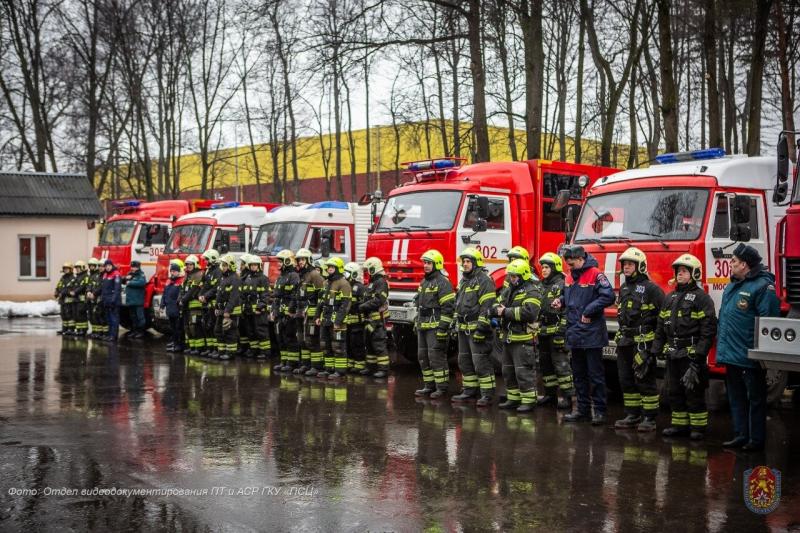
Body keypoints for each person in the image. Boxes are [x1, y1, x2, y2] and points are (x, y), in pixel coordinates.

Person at [718, 244, 780, 451]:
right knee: (736, 398)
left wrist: (761, 352)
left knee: (755, 399)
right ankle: (741, 434)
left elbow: (769, 323)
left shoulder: (763, 287)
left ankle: (756, 439)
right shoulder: (732, 285)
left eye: (734, 262)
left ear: (744, 265)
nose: (731, 265)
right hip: (732, 354)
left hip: (749, 355)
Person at [651, 254, 717, 440]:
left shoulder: (701, 298)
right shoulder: (670, 297)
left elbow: (708, 329)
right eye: (678, 271)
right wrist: (655, 351)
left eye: (684, 271)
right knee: (674, 391)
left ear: (694, 273)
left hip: (691, 355)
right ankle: (678, 425)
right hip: (673, 354)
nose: (679, 274)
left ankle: (698, 428)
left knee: (693, 392)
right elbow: (660, 327)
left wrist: (698, 357)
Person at [560, 245, 615, 425]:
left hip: (591, 335)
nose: (569, 267)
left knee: (595, 375)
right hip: (575, 333)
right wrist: (559, 301)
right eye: (567, 264)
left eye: (572, 263)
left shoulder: (595, 274)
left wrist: (588, 310)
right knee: (579, 375)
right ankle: (582, 410)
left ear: (581, 259)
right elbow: (568, 297)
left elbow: (608, 296)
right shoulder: (569, 276)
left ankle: (599, 411)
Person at [613, 247, 665, 432]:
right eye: (624, 264)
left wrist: (654, 348)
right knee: (626, 379)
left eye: (630, 264)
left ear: (640, 266)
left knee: (644, 379)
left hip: (642, 344)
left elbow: (663, 317)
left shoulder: (652, 289)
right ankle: (632, 414)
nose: (626, 268)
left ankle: (649, 418)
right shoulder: (625, 287)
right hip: (625, 342)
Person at [493, 259, 542, 412]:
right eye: (511, 276)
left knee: (523, 371)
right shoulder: (509, 289)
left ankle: (529, 401)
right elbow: (497, 303)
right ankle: (513, 399)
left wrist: (505, 312)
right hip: (508, 337)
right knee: (508, 370)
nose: (511, 279)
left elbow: (529, 313)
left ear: (523, 275)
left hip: (523, 338)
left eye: (514, 276)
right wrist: (497, 309)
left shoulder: (532, 291)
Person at [452, 247, 497, 406]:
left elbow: (487, 307)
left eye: (468, 261)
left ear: (476, 263)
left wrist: (481, 329)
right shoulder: (464, 280)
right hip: (464, 328)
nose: (464, 264)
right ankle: (469, 390)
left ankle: (487, 394)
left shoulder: (484, 280)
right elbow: (459, 304)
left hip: (477, 328)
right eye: (463, 261)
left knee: (481, 362)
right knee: (464, 360)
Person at [414, 249, 455, 399]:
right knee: (423, 356)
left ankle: (441, 388)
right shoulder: (424, 282)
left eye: (428, 263)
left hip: (436, 327)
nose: (425, 265)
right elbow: (419, 304)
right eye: (424, 262)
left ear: (436, 264)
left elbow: (448, 308)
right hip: (423, 326)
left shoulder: (443, 282)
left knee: (436, 357)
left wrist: (443, 328)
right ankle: (429, 386)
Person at [536, 252, 574, 409]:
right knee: (546, 366)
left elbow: (567, 311)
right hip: (543, 331)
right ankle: (550, 395)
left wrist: (561, 334)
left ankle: (567, 397)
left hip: (557, 332)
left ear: (555, 268)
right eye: (542, 267)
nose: (543, 270)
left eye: (546, 267)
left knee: (561, 365)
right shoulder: (541, 285)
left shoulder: (563, 284)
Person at [316, 257, 351, 378]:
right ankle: (329, 369)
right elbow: (321, 302)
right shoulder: (325, 283)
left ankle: (340, 371)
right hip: (325, 319)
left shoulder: (344, 284)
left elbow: (345, 305)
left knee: (338, 346)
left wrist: (338, 321)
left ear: (338, 268)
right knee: (325, 345)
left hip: (337, 321)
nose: (329, 269)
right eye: (328, 267)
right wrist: (317, 316)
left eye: (332, 267)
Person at [361, 257, 391, 378]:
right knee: (369, 343)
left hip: (378, 319)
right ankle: (371, 367)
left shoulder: (381, 282)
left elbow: (379, 300)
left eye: (368, 270)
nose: (367, 272)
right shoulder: (373, 282)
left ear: (374, 269)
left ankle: (383, 369)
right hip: (370, 319)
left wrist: (363, 306)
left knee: (379, 344)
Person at [296, 248, 325, 375]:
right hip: (302, 313)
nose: (300, 262)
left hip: (312, 314)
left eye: (302, 259)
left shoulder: (315, 275)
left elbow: (322, 295)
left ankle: (316, 366)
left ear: (308, 260)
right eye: (299, 260)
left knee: (313, 340)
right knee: (302, 340)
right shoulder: (302, 275)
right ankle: (305, 365)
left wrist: (318, 314)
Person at [272, 250, 300, 371]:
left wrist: (290, 310)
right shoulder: (280, 277)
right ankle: (284, 361)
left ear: (287, 261)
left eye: (280, 261)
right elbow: (276, 297)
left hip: (289, 314)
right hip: (279, 313)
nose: (278, 264)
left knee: (290, 337)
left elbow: (294, 295)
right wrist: (273, 310)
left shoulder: (293, 276)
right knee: (281, 338)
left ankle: (291, 363)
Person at [243, 254, 271, 359]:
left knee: (261, 331)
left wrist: (260, 307)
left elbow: (265, 295)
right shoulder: (247, 278)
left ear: (259, 266)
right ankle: (254, 349)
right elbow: (244, 294)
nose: (253, 267)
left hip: (259, 311)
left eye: (255, 265)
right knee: (251, 331)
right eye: (251, 265)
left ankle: (265, 351)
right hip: (249, 310)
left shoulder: (263, 279)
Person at [214, 254, 241, 360]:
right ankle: (221, 351)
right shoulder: (224, 278)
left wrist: (227, 311)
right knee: (218, 330)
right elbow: (219, 295)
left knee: (230, 332)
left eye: (225, 265)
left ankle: (230, 353)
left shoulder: (235, 279)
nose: (223, 267)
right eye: (222, 265)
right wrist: (216, 307)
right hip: (221, 310)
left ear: (231, 266)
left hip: (230, 312)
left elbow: (234, 297)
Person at [344, 262, 367, 374]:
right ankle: (351, 363)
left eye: (347, 273)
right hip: (348, 322)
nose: (344, 275)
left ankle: (360, 364)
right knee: (348, 343)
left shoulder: (360, 288)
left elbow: (364, 304)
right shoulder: (346, 286)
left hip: (358, 323)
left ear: (353, 274)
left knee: (357, 343)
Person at [199, 249, 222, 357]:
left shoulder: (218, 271)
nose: (205, 261)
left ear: (213, 259)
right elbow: (203, 286)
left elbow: (215, 288)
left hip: (212, 303)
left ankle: (216, 349)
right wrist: (200, 295)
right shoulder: (208, 271)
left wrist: (205, 296)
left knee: (213, 326)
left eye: (207, 259)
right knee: (206, 326)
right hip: (205, 303)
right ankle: (210, 348)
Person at [180, 255, 205, 355]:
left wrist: (183, 299)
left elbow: (193, 290)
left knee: (195, 327)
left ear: (195, 264)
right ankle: (192, 346)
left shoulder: (198, 274)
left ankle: (199, 348)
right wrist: (180, 299)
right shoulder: (187, 275)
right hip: (186, 306)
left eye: (191, 264)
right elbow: (182, 289)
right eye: (187, 264)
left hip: (195, 306)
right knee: (187, 327)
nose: (189, 266)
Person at [162, 260, 185, 352]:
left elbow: (181, 295)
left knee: (179, 328)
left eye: (174, 271)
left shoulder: (181, 281)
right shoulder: (169, 281)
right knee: (173, 329)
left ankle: (180, 345)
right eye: (171, 271)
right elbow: (165, 294)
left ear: (179, 272)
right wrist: (162, 304)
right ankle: (175, 344)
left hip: (177, 309)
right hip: (170, 309)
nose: (172, 272)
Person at [123, 260, 147, 338]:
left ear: (138, 267)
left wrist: (130, 282)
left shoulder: (141, 274)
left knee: (140, 317)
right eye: (132, 267)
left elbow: (142, 283)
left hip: (138, 300)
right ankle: (134, 331)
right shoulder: (129, 274)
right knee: (133, 317)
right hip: (130, 300)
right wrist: (125, 278)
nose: (133, 268)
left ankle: (141, 332)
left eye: (135, 267)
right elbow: (122, 280)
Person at [100, 259, 122, 342]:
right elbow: (103, 289)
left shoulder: (116, 274)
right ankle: (110, 335)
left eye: (109, 266)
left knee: (114, 319)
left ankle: (114, 336)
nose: (108, 267)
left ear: (112, 266)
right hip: (106, 301)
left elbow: (117, 290)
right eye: (106, 266)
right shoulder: (105, 275)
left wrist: (113, 300)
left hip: (113, 302)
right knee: (108, 319)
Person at [86, 258, 107, 339]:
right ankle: (97, 332)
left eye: (102, 266)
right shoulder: (97, 275)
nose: (101, 268)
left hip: (101, 299)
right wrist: (88, 291)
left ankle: (104, 333)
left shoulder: (105, 276)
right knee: (95, 316)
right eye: (100, 266)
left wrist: (93, 294)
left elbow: (101, 287)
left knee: (102, 317)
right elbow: (90, 285)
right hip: (94, 298)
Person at [70, 260, 90, 336]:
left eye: (78, 268)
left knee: (81, 315)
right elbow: (71, 285)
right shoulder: (76, 277)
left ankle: (83, 330)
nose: (77, 269)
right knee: (76, 315)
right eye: (76, 268)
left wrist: (75, 292)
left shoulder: (86, 276)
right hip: (75, 299)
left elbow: (83, 286)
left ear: (82, 268)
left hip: (82, 300)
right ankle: (78, 329)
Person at [55, 262, 75, 335]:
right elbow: (59, 286)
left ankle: (71, 329)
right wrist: (56, 292)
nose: (66, 270)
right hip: (62, 300)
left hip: (69, 300)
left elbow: (70, 288)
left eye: (67, 269)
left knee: (69, 314)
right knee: (63, 314)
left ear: (71, 269)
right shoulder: (63, 278)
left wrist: (63, 292)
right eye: (65, 269)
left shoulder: (73, 278)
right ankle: (65, 328)